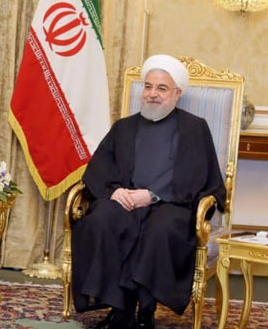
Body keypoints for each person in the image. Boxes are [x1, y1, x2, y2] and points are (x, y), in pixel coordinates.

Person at [71, 55, 226, 329]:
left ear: (177, 94)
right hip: (126, 200)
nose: (152, 94)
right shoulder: (124, 127)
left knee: (160, 229)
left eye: (162, 88)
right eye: (148, 86)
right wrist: (115, 191)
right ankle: (120, 307)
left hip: (171, 203)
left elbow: (197, 176)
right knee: (101, 219)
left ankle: (146, 309)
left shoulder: (194, 128)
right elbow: (100, 168)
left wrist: (153, 195)